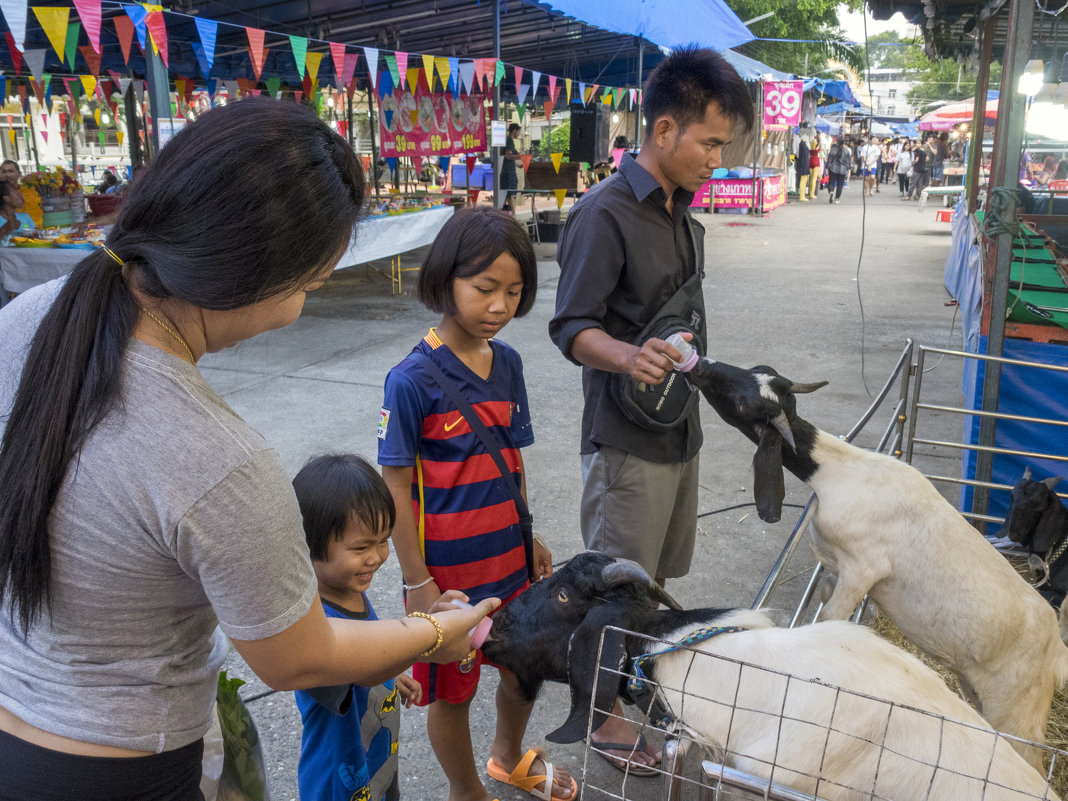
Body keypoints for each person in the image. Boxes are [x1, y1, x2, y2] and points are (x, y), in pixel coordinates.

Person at [0, 97, 494, 801]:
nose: (307, 300)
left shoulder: (28, 316)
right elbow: (299, 656)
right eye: (311, 283)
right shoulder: (217, 457)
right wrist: (431, 631)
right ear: (255, 276)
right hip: (126, 766)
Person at [549, 46, 753, 774]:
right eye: (709, 142)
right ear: (663, 129)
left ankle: (638, 683)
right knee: (614, 582)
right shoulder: (604, 213)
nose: (714, 159)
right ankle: (600, 717)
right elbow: (570, 326)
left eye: (721, 145)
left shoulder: (677, 209)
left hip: (676, 427)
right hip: (625, 439)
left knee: (655, 578)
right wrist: (627, 355)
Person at [378, 208, 575, 801]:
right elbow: (394, 484)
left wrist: (529, 532)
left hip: (511, 561)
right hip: (450, 580)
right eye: (484, 288)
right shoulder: (411, 379)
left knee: (523, 669)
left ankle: (506, 757)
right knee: (452, 692)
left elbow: (510, 458)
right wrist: (417, 582)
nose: (499, 306)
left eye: (514, 292)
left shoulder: (508, 364)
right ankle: (467, 791)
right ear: (445, 279)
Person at [292, 454, 422, 801]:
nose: (377, 556)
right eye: (361, 547)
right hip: (337, 783)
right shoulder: (315, 624)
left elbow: (369, 660)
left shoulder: (351, 592)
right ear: (308, 545)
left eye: (383, 541)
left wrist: (388, 679)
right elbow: (356, 665)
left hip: (376, 765)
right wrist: (430, 634)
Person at [0, 179, 36, 245]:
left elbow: (38, 239)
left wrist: (35, 236)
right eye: (17, 192)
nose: (21, 195)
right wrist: (3, 230)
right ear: (6, 198)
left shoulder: (25, 217)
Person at [501, 122, 522, 212]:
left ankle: (504, 213)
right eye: (518, 132)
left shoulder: (506, 140)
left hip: (505, 171)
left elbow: (507, 159)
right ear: (514, 130)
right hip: (509, 174)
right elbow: (508, 156)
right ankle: (513, 215)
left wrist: (517, 164)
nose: (519, 134)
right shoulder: (510, 141)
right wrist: (521, 157)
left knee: (505, 196)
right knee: (511, 195)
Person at [825, 138, 852, 204]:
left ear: (837, 142)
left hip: (833, 169)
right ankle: (837, 199)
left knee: (831, 182)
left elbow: (829, 160)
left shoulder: (833, 150)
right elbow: (848, 162)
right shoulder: (846, 151)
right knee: (840, 185)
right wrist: (849, 171)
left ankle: (831, 191)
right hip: (843, 170)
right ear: (843, 143)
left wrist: (827, 168)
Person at [795, 134, 811, 201]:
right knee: (803, 180)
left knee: (804, 180)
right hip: (803, 165)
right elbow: (802, 156)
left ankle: (802, 195)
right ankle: (802, 196)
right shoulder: (802, 145)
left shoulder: (802, 144)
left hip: (803, 164)